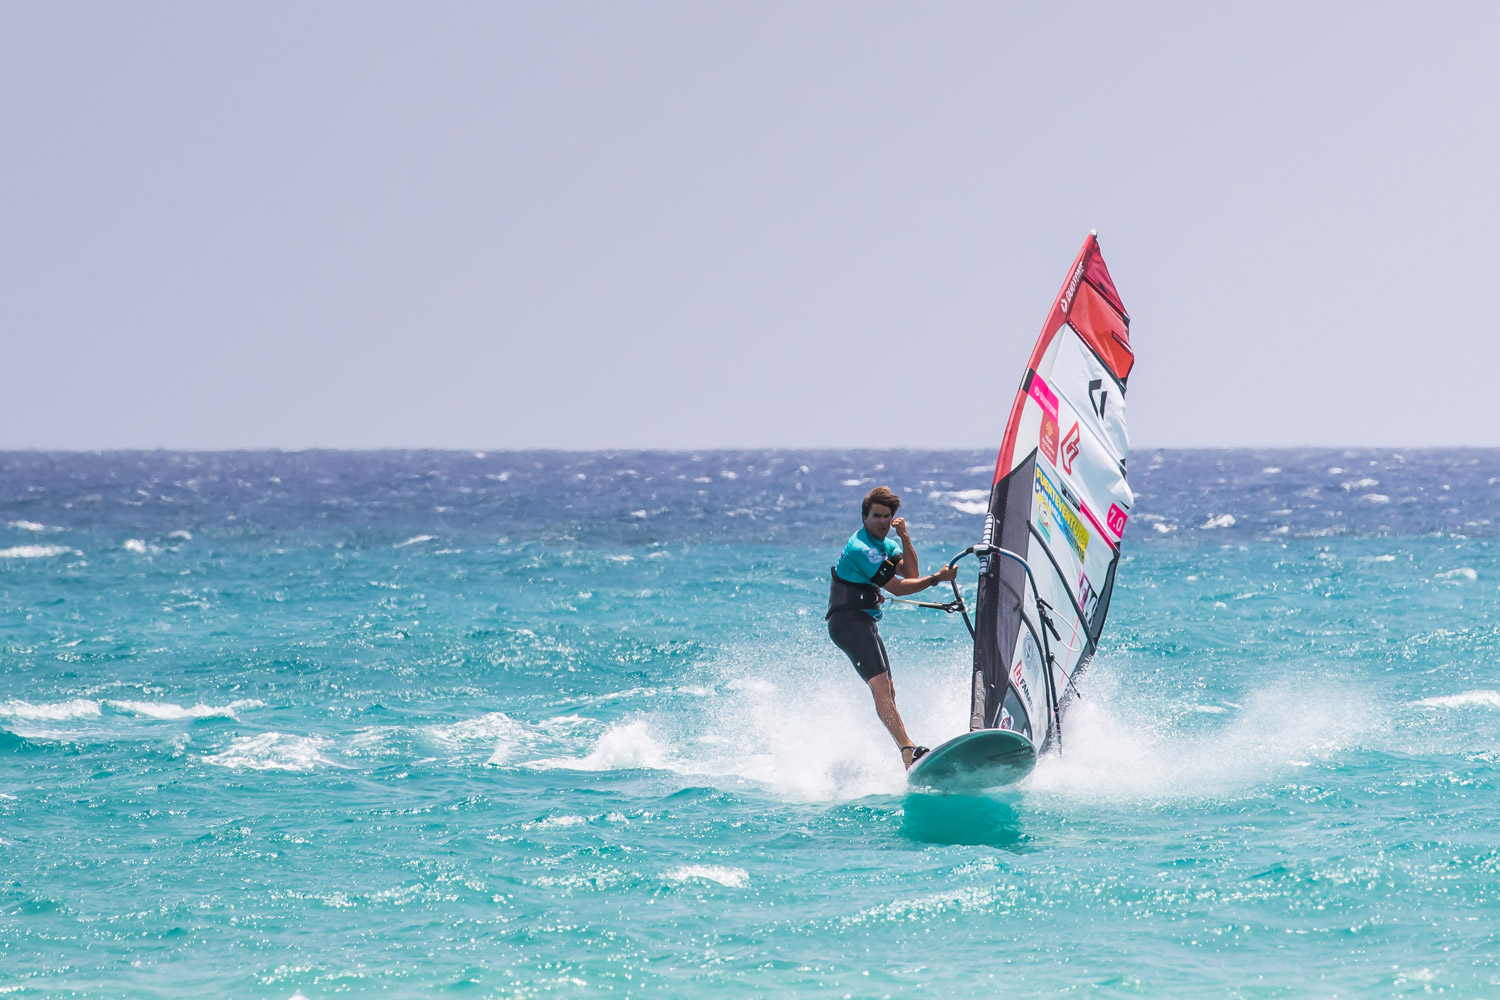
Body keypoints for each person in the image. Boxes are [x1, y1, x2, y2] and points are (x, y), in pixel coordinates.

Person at [826, 486, 957, 769]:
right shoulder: (861, 548)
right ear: (864, 517)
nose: (883, 522)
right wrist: (937, 579)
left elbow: (910, 572)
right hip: (848, 623)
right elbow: (898, 587)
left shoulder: (885, 543)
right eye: (876, 516)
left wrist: (905, 537)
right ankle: (908, 750)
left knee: (889, 690)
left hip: (864, 621)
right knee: (882, 690)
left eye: (887, 517)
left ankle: (905, 751)